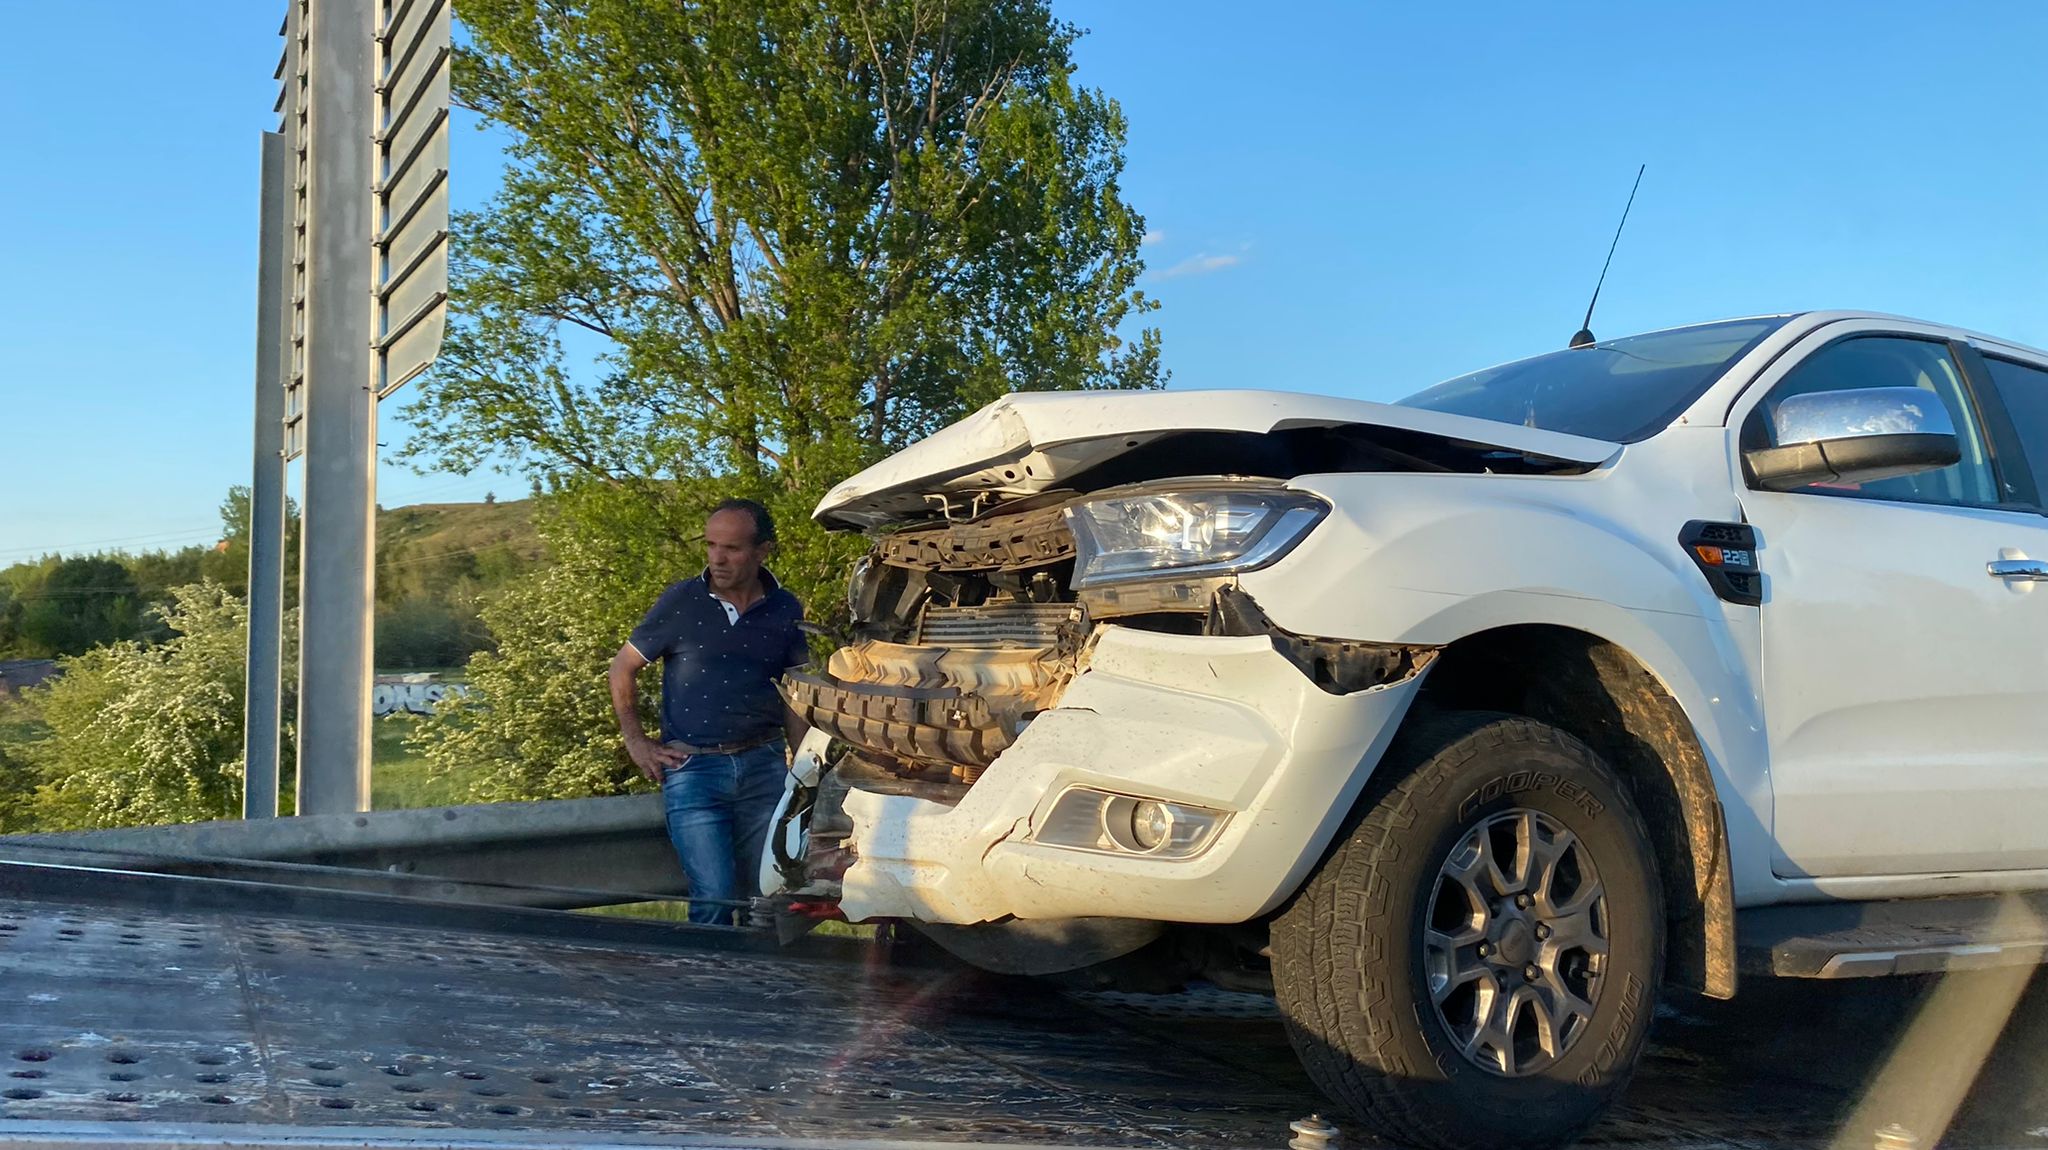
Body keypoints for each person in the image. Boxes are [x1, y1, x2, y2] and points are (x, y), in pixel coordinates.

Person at [608, 499, 810, 925]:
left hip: (763, 767)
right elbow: (623, 667)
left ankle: (762, 987)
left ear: (762, 551)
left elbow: (795, 692)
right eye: (711, 545)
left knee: (766, 900)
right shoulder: (682, 600)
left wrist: (806, 770)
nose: (717, 558)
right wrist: (637, 743)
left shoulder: (785, 609)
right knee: (715, 899)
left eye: (732, 548)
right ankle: (713, 989)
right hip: (694, 771)